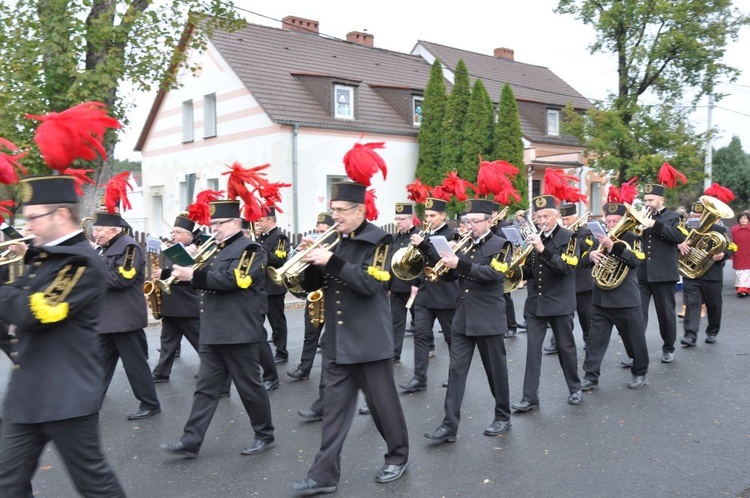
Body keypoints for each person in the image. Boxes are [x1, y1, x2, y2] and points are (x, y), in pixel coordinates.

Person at [0, 175, 126, 496]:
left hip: (66, 395)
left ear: (60, 214)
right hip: (27, 393)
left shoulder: (80, 263)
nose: (27, 228)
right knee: (7, 484)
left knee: (95, 485)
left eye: (32, 219)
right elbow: (14, 297)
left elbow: (36, 311)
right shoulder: (44, 256)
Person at [291, 181, 409, 496]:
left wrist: (329, 260)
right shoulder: (334, 241)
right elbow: (316, 285)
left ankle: (398, 456)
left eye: (341, 211)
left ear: (359, 210)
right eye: (334, 210)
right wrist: (308, 262)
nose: (336, 216)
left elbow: (370, 284)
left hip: (369, 340)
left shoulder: (379, 240)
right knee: (334, 410)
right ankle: (323, 475)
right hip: (338, 340)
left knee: (383, 406)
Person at [161, 199, 275, 458]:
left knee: (249, 387)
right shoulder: (214, 249)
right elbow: (204, 281)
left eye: (219, 224)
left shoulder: (251, 249)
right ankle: (191, 440)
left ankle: (265, 434)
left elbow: (236, 280)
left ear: (235, 223)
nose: (214, 229)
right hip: (213, 327)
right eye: (212, 224)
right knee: (206, 388)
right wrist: (185, 270)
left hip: (239, 330)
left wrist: (195, 276)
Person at [423, 198, 513, 443]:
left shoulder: (502, 244)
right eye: (467, 221)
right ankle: (449, 426)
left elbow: (494, 275)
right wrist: (446, 261)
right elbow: (453, 278)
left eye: (475, 221)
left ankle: (503, 416)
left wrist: (459, 264)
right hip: (463, 317)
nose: (470, 226)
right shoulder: (463, 245)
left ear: (489, 221)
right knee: (456, 372)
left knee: (495, 371)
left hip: (488, 318)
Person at [512, 194, 583, 412]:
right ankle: (529, 397)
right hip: (536, 304)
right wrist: (513, 267)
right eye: (538, 216)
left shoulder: (569, 237)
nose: (542, 220)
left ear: (556, 216)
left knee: (566, 348)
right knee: (532, 352)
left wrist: (543, 249)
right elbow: (531, 272)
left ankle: (574, 388)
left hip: (560, 303)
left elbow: (566, 269)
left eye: (546, 216)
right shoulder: (533, 238)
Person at [93, 199, 161, 421]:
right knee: (100, 362)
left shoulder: (130, 247)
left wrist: (90, 277)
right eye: (95, 229)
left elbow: (123, 278)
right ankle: (89, 402)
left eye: (99, 229)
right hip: (108, 318)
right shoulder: (106, 248)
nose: (95, 234)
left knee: (135, 364)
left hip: (124, 318)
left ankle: (150, 403)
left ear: (113, 230)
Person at [580, 202, 649, 391]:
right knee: (595, 340)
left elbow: (635, 261)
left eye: (615, 221)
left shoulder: (633, 238)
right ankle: (590, 376)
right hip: (601, 299)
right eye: (608, 221)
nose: (611, 225)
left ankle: (640, 372)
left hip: (626, 299)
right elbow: (584, 262)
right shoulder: (599, 238)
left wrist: (613, 247)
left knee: (634, 339)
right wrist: (590, 256)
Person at [399, 197, 459, 392]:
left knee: (452, 338)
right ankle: (419, 378)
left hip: (446, 293)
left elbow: (443, 261)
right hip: (425, 293)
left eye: (433, 215)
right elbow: (422, 263)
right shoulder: (423, 234)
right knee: (420, 335)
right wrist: (414, 283)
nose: (429, 219)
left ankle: (456, 375)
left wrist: (424, 245)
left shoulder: (452, 235)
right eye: (427, 215)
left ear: (443, 216)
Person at [638, 182, 687, 363]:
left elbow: (679, 237)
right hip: (642, 273)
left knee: (665, 314)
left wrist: (654, 224)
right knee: (638, 314)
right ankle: (636, 351)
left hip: (664, 273)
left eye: (651, 199)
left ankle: (668, 347)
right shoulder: (641, 216)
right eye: (646, 200)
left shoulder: (675, 216)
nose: (648, 203)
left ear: (661, 199)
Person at [151, 214, 201, 383]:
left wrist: (163, 273)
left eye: (178, 232)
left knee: (200, 342)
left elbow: (185, 275)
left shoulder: (194, 250)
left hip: (186, 305)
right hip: (171, 304)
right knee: (167, 342)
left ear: (188, 235)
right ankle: (161, 373)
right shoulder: (173, 248)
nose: (173, 235)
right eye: (173, 232)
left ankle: (213, 370)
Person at [679, 200, 735, 345]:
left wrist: (723, 255)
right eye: (695, 215)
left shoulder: (720, 230)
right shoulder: (685, 228)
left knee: (714, 305)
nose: (697, 218)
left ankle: (712, 332)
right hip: (691, 274)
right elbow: (676, 245)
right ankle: (690, 335)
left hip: (713, 274)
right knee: (692, 304)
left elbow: (732, 248)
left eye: (700, 215)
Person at [288, 212, 334, 380]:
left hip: (333, 297)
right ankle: (304, 368)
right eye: (318, 230)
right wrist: (306, 261)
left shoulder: (336, 248)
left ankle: (331, 374)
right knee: (310, 335)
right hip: (316, 296)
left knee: (332, 337)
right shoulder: (312, 248)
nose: (319, 235)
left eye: (323, 231)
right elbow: (308, 282)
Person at [544, 203, 593, 353]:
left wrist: (575, 237)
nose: (565, 223)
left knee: (586, 315)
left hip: (582, 280)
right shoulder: (560, 233)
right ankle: (557, 342)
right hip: (565, 279)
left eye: (568, 219)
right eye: (563, 220)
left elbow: (589, 247)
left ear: (576, 218)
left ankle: (590, 340)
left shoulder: (585, 231)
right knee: (563, 315)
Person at [258, 207, 291, 364]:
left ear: (271, 220)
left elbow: (279, 260)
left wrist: (259, 249)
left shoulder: (280, 237)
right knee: (257, 322)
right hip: (260, 286)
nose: (258, 223)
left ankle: (281, 352)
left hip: (273, 287)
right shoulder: (261, 238)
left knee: (277, 323)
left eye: (261, 220)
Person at [389, 203, 420, 364]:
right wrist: (388, 286)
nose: (398, 222)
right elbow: (390, 263)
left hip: (413, 287)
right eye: (396, 219)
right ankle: (394, 353)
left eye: (401, 219)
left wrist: (417, 284)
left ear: (410, 219)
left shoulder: (418, 237)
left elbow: (421, 263)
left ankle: (429, 346)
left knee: (420, 322)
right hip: (396, 287)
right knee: (396, 322)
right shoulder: (394, 239)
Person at [730, 211, 750, 297]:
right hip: (738, 254)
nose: (743, 220)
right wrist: (730, 253)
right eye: (741, 218)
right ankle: (742, 287)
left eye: (745, 218)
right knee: (740, 272)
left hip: (748, 254)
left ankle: (742, 289)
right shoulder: (734, 230)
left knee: (747, 272)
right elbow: (731, 242)